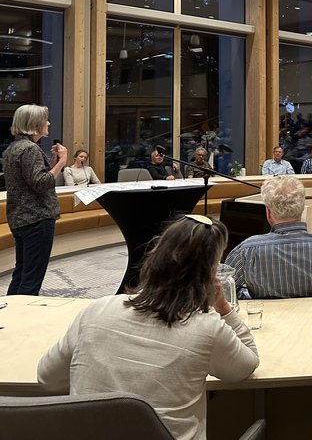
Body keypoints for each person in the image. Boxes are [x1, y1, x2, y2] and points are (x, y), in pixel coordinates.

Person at [38, 215, 259, 440]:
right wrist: (223, 307)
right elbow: (246, 365)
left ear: (155, 259)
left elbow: (47, 377)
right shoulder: (207, 329)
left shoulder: (97, 309)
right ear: (210, 277)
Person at [225, 176, 312, 299]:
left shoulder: (247, 249)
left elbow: (224, 289)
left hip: (267, 317)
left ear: (268, 212)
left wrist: (250, 300)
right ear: (301, 208)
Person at [1, 104, 67, 295]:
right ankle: (24, 319)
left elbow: (30, 180)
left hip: (20, 218)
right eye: (45, 119)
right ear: (35, 124)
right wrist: (62, 162)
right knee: (32, 279)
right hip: (36, 219)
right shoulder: (30, 149)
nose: (48, 123)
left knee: (21, 274)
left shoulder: (13, 148)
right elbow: (41, 183)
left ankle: (11, 315)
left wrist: (53, 164)